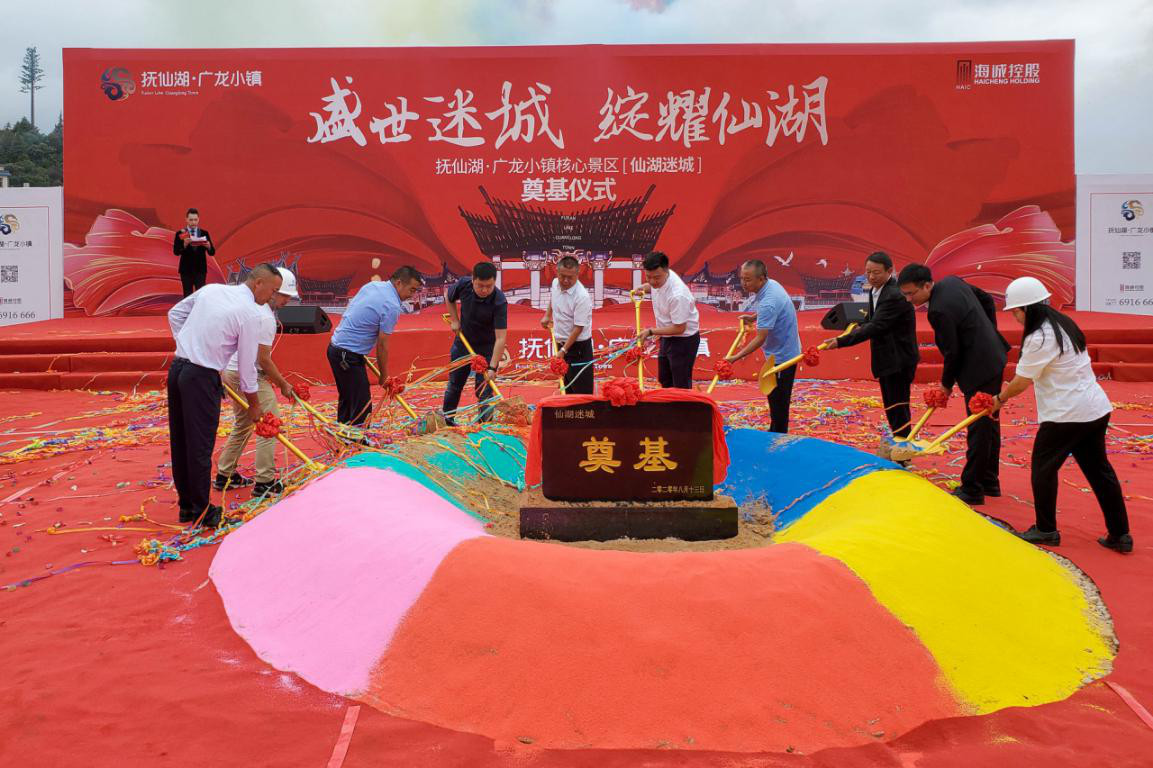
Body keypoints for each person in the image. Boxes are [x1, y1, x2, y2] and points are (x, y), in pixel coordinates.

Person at [992, 277, 1132, 553]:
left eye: (1016, 311)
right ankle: (1120, 534)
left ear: (1028, 309)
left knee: (1043, 470)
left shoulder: (1039, 337)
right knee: (1099, 471)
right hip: (1094, 409)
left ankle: (1046, 529)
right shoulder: (1064, 324)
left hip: (1066, 415)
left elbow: (1022, 381)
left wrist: (999, 400)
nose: (1015, 317)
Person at [167, 263, 282, 527]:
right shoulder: (250, 314)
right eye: (273, 291)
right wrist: (255, 405)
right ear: (258, 284)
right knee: (199, 444)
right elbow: (247, 367)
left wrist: (188, 344)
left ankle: (188, 506)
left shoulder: (212, 290)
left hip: (178, 368)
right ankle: (202, 511)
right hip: (200, 376)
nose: (272, 297)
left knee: (181, 441)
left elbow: (175, 314)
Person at [898, 264, 1009, 505]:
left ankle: (972, 488)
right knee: (990, 422)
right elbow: (986, 300)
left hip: (978, 368)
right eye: (904, 294)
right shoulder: (952, 281)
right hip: (994, 356)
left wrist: (946, 386)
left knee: (978, 426)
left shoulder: (938, 311)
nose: (908, 300)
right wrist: (989, 332)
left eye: (911, 293)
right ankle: (989, 481)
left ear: (927, 285)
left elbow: (952, 352)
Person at [215, 267, 299, 498]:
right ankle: (265, 481)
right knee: (269, 424)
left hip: (231, 371)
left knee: (243, 424)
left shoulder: (252, 308)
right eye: (283, 295)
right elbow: (263, 359)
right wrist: (283, 384)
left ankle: (225, 474)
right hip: (247, 374)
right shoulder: (264, 317)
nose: (286, 301)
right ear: (271, 289)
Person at [827, 252, 919, 437]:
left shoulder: (894, 295)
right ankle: (899, 441)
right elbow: (872, 318)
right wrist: (856, 326)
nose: (871, 277)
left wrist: (840, 341)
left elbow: (877, 325)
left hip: (899, 358)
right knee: (891, 404)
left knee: (898, 405)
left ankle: (903, 445)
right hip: (887, 357)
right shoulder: (875, 290)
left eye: (876, 272)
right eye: (868, 272)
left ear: (889, 271)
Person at [327, 266, 425, 426]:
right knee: (362, 406)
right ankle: (357, 437)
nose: (412, 295)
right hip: (347, 355)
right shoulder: (392, 305)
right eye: (411, 290)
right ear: (399, 283)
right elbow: (382, 344)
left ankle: (344, 433)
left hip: (336, 349)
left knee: (348, 398)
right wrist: (384, 376)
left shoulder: (374, 285)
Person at [724, 259, 801, 433]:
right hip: (782, 349)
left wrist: (735, 357)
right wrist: (753, 317)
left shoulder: (768, 302)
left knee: (779, 401)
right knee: (775, 398)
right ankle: (775, 430)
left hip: (782, 357)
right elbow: (772, 311)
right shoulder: (771, 285)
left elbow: (760, 338)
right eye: (742, 278)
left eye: (748, 280)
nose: (743, 283)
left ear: (761, 279)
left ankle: (778, 436)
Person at [443, 262, 508, 425]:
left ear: (494, 282)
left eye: (489, 286)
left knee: (484, 390)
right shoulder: (464, 285)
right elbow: (448, 297)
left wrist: (492, 367)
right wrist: (455, 320)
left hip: (486, 348)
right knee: (454, 385)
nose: (484, 290)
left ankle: (485, 426)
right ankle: (447, 421)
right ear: (473, 280)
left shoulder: (499, 301)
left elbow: (501, 338)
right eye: (480, 286)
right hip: (463, 343)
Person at [636, 251, 700, 389]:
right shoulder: (659, 280)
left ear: (666, 271)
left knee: (680, 384)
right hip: (666, 335)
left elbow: (679, 328)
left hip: (683, 340)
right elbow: (653, 285)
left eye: (656, 278)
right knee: (665, 379)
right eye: (648, 277)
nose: (652, 281)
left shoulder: (678, 295)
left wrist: (651, 332)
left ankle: (682, 403)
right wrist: (644, 288)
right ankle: (668, 402)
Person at [541, 255, 594, 394]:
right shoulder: (555, 283)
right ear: (557, 272)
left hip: (578, 348)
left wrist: (564, 350)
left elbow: (578, 328)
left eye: (570, 277)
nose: (565, 280)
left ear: (577, 274)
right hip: (561, 342)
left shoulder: (582, 296)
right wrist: (547, 315)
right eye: (562, 276)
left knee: (581, 392)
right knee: (566, 388)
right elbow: (553, 298)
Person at [172, 208, 216, 297]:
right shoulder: (180, 233)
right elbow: (176, 252)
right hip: (186, 271)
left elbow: (212, 252)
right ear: (186, 219)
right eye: (191, 220)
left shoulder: (204, 233)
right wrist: (184, 245)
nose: (193, 222)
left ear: (198, 219)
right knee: (187, 296)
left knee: (200, 296)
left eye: (195, 220)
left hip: (200, 271)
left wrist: (209, 246)